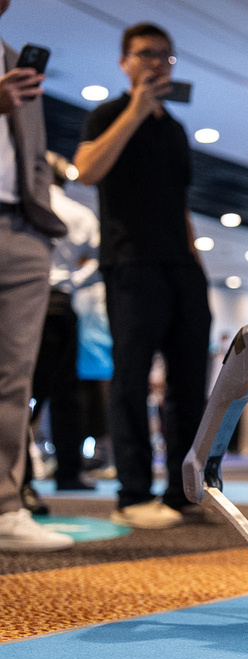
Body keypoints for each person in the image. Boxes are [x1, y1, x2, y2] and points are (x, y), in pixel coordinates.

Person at [74, 23, 212, 529]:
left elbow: (180, 204)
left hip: (182, 268)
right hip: (131, 263)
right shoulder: (108, 114)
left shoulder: (174, 129)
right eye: (146, 54)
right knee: (130, 379)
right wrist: (134, 111)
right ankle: (132, 493)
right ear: (124, 62)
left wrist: (196, 266)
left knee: (190, 384)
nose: (157, 63)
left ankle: (181, 493)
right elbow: (86, 169)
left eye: (166, 56)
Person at [0, 0, 74, 551]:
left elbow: (33, 153)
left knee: (13, 378)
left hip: (23, 228)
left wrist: (41, 219)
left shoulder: (13, 59)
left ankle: (4, 506)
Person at [27, 152, 100, 492]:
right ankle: (69, 473)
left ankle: (18, 473)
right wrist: (72, 280)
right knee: (66, 392)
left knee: (26, 389)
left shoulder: (29, 204)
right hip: (61, 303)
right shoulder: (79, 213)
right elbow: (99, 261)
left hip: (30, 300)